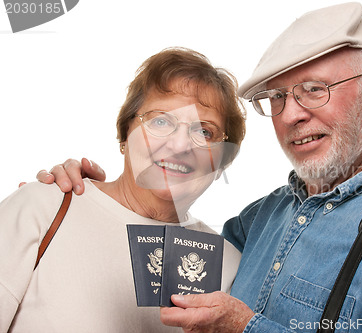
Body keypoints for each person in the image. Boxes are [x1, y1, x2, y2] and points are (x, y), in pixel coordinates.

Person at [34, 3, 362, 332]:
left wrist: (246, 328)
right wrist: (85, 196)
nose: (290, 115)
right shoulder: (264, 219)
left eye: (313, 89)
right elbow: (160, 232)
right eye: (279, 98)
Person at [0, 47, 245, 332]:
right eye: (161, 121)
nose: (180, 146)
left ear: (222, 163)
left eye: (204, 131)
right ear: (125, 135)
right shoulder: (42, 208)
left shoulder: (230, 266)